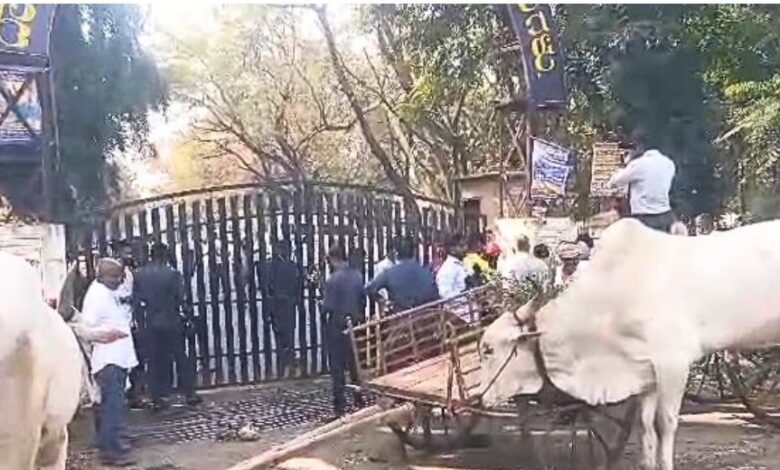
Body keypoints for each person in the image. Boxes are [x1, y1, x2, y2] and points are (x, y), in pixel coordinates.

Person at [81, 258, 138, 466]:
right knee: (111, 408)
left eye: (120, 276)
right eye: (115, 276)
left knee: (112, 406)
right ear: (102, 276)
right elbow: (85, 328)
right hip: (109, 360)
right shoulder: (96, 296)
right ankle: (111, 452)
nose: (119, 280)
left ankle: (112, 443)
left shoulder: (107, 291)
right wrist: (104, 335)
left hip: (117, 358)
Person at [133, 242, 201, 412]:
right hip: (170, 320)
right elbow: (180, 298)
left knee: (154, 360)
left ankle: (157, 396)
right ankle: (189, 392)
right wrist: (188, 316)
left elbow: (136, 299)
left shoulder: (139, 275)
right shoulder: (173, 274)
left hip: (149, 322)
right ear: (165, 256)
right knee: (180, 357)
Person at [321, 243, 366, 417]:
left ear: (333, 259)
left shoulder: (333, 280)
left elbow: (328, 307)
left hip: (337, 325)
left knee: (337, 367)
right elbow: (362, 301)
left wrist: (321, 306)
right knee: (354, 363)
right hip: (354, 324)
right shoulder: (357, 276)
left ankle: (340, 406)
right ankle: (358, 398)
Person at [608, 130, 676, 232]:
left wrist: (628, 162)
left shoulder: (639, 164)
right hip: (665, 215)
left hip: (644, 217)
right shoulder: (669, 163)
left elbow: (614, 181)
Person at [365, 236, 440, 312]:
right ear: (413, 252)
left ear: (396, 253)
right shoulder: (425, 272)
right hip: (426, 314)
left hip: (401, 315)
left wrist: (384, 301)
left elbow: (368, 289)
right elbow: (435, 295)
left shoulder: (389, 273)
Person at [265, 240, 302, 377]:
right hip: (282, 304)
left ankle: (286, 356)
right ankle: (285, 356)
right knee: (284, 331)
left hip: (284, 303)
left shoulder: (281, 265)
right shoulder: (279, 266)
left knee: (285, 331)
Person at [435, 233, 472, 300]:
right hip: (460, 305)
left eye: (466, 245)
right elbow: (445, 295)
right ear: (452, 249)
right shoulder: (447, 269)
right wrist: (465, 294)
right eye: (461, 246)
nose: (466, 248)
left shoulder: (463, 263)